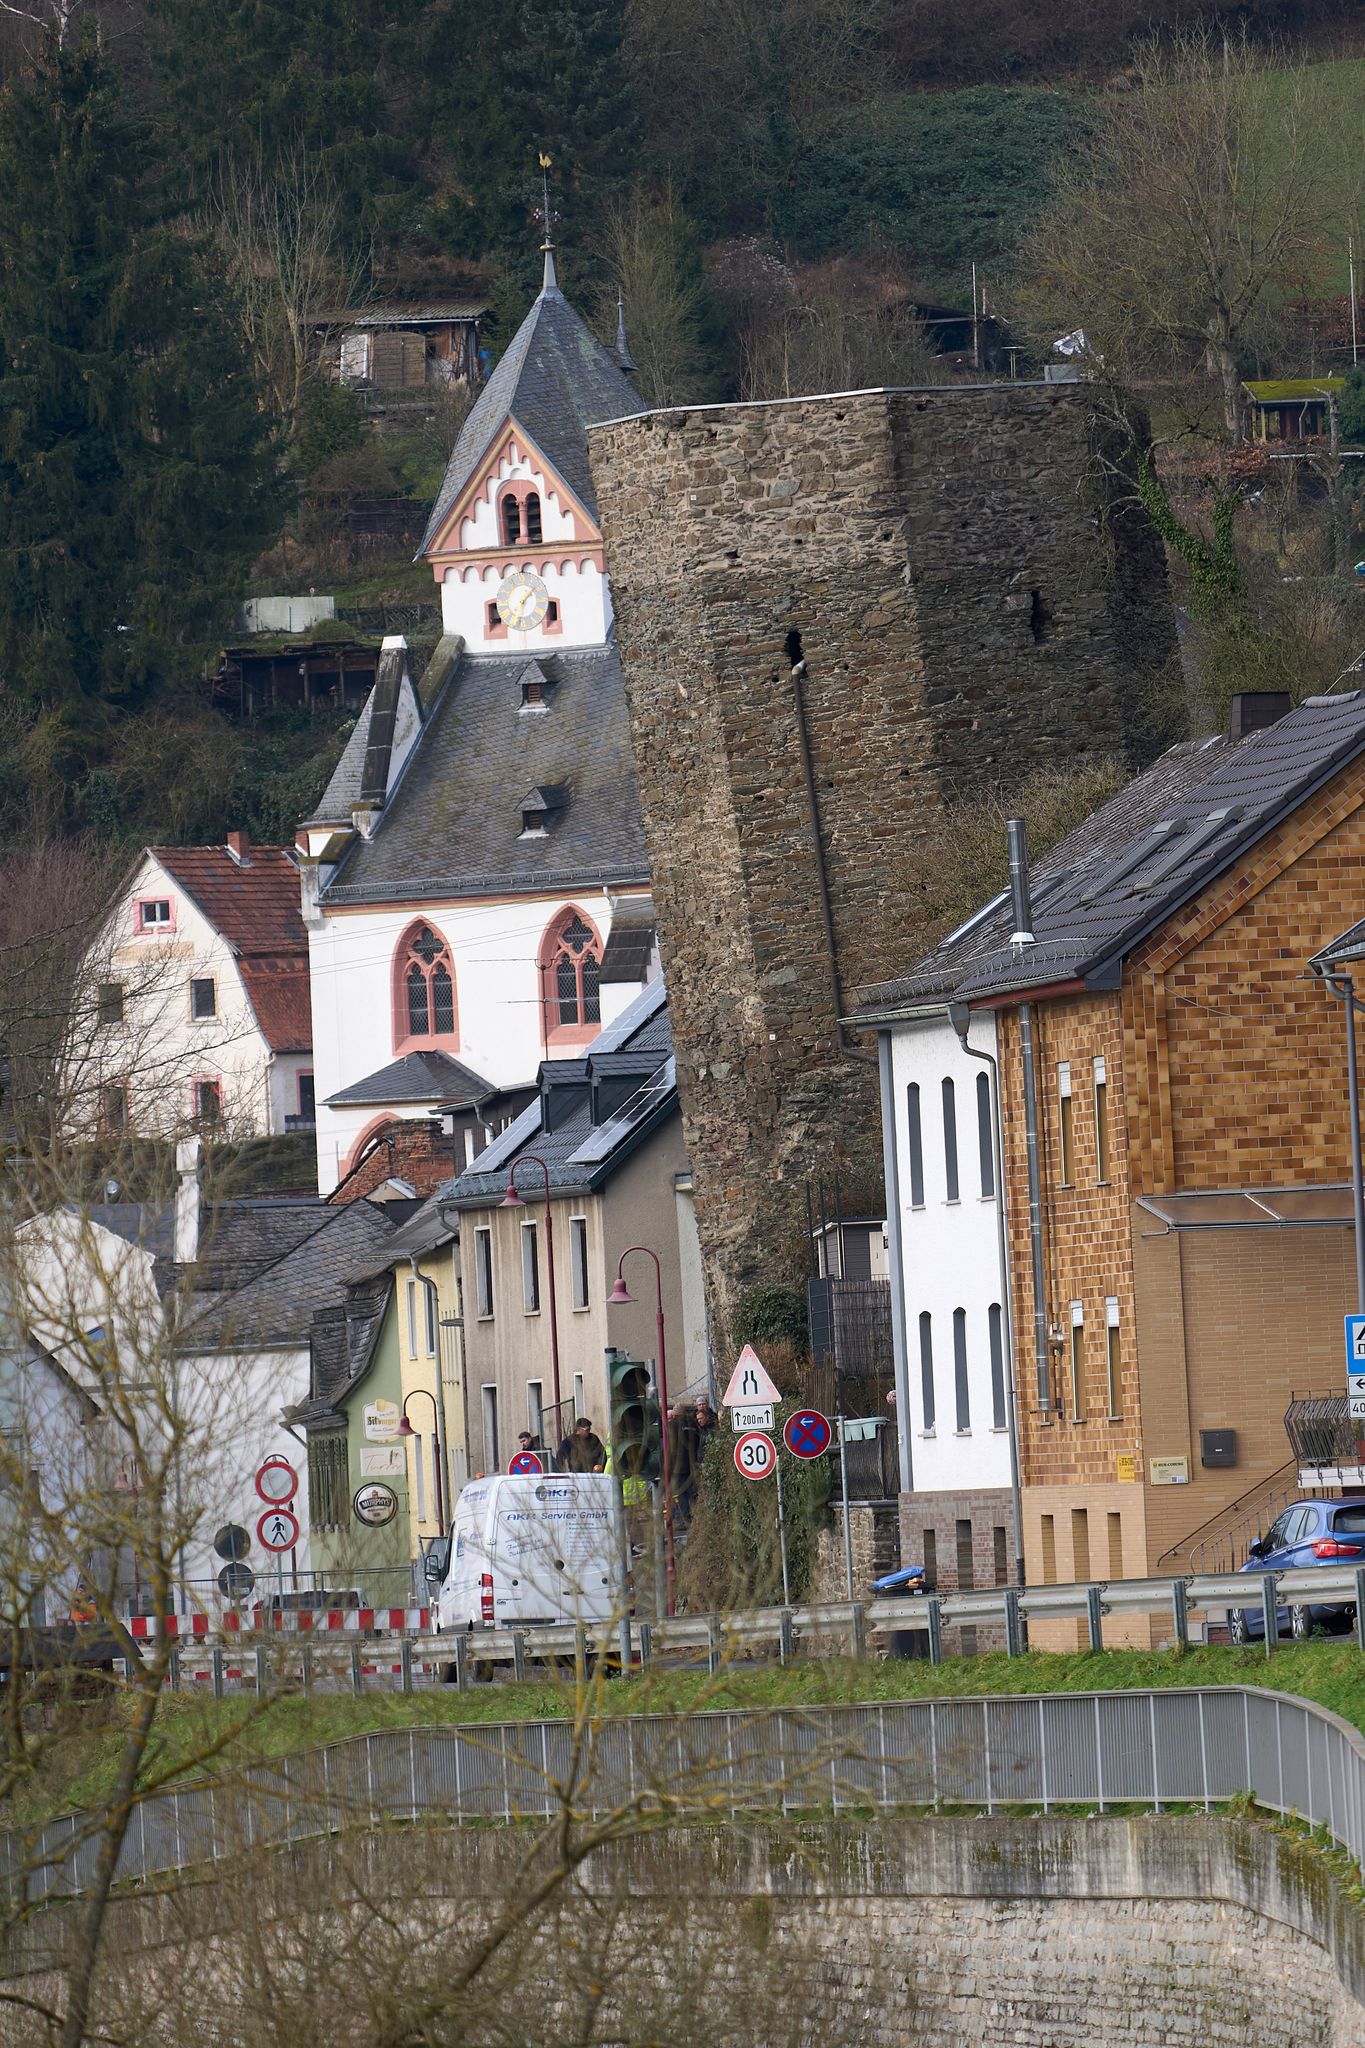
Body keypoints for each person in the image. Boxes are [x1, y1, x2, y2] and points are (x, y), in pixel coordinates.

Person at [667, 1400, 700, 1527]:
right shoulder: (693, 1424)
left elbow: (670, 1448)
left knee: (680, 1493)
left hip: (678, 1466)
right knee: (692, 1493)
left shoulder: (672, 1425)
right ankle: (695, 1518)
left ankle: (685, 1519)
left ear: (675, 1414)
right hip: (692, 1464)